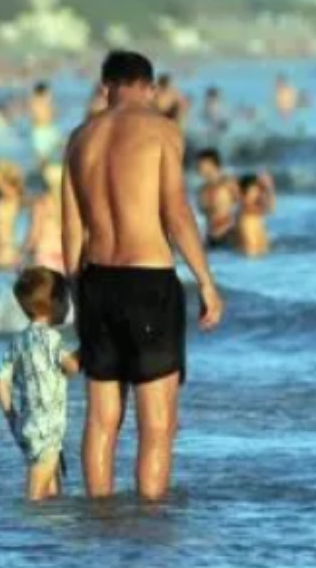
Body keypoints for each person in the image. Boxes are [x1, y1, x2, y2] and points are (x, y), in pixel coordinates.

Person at [62, 50, 223, 501]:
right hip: (147, 280)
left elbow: (71, 226)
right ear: (150, 88)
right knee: (157, 422)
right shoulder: (162, 130)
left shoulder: (79, 138)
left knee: (101, 419)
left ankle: (99, 516)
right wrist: (206, 280)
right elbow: (175, 209)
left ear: (104, 86)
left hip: (96, 280)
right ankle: (150, 523)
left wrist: (79, 293)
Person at [0, 267, 82, 502]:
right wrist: (86, 351)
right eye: (66, 300)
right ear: (55, 303)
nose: (68, 306)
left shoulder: (19, 339)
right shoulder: (51, 338)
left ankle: (45, 531)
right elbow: (70, 367)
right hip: (48, 426)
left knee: (52, 490)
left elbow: (0, 379)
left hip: (26, 424)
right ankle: (27, 528)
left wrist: (10, 414)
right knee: (36, 491)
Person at [23, 163, 65, 272]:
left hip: (44, 252)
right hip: (63, 252)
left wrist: (22, 254)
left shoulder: (40, 202)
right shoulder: (69, 203)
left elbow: (34, 232)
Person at [194, 148, 239, 248]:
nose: (197, 167)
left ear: (211, 164)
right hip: (211, 237)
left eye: (201, 164)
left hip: (230, 234)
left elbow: (245, 204)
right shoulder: (201, 191)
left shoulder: (229, 183)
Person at [233, 173, 276, 257]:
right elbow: (269, 209)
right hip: (250, 253)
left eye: (258, 191)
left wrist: (269, 189)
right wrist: (269, 188)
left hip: (256, 253)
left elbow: (270, 209)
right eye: (253, 191)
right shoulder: (245, 210)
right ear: (244, 194)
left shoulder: (254, 209)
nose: (257, 195)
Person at [29, 82, 61, 163]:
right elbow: (36, 116)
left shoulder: (47, 102)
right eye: (48, 93)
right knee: (42, 156)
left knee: (60, 147)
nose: (50, 95)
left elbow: (54, 114)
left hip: (49, 128)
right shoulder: (35, 102)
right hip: (40, 131)